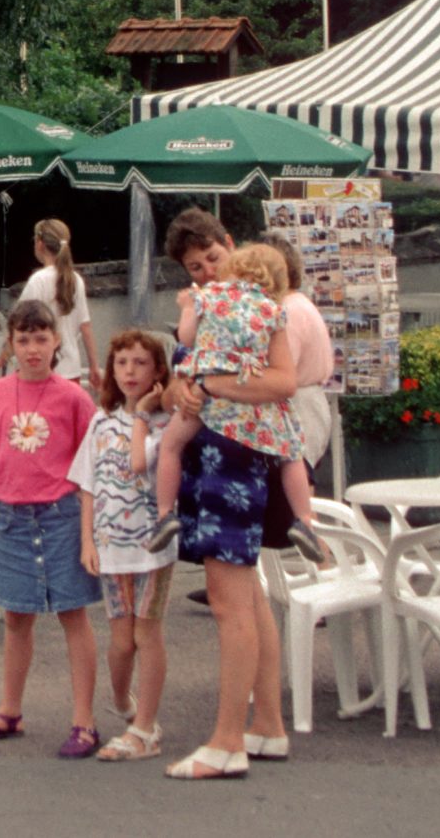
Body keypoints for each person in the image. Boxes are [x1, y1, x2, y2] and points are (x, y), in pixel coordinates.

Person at [158, 250, 303, 779]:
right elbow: (179, 375)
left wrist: (211, 384)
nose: (207, 271)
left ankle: (226, 742)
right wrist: (189, 387)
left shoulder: (227, 306)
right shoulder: (264, 309)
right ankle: (266, 725)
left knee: (229, 604)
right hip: (229, 454)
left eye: (214, 259)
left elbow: (283, 381)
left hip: (229, 459)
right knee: (248, 596)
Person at [0, 297, 105, 758]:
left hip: (61, 517)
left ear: (56, 341)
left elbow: (92, 470)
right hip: (12, 519)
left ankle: (84, 721)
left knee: (72, 613)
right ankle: (9, 710)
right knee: (17, 617)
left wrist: (88, 534)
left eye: (41, 339)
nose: (32, 349)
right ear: (11, 344)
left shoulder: (74, 398)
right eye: (23, 340)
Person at [146, 244, 320, 563]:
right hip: (251, 397)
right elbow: (282, 375)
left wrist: (187, 308)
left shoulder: (209, 297)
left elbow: (186, 338)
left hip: (207, 397)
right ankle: (305, 520)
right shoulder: (273, 311)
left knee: (170, 446)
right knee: (291, 453)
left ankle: (164, 513)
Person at [72, 328, 178, 763]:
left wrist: (143, 413)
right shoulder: (100, 421)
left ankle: (146, 727)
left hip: (152, 546)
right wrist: (87, 541)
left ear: (157, 372)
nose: (130, 372)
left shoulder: (167, 424)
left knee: (146, 632)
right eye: (121, 363)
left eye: (140, 363)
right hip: (111, 545)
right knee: (121, 639)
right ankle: (122, 702)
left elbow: (139, 463)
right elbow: (88, 485)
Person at [269, 236, 336, 546]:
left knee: (303, 499)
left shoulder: (288, 310)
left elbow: (283, 371)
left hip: (300, 405)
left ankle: (322, 565)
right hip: (308, 402)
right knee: (304, 494)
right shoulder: (298, 303)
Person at [0, 219, 100, 397]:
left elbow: (19, 325)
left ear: (40, 244)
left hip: (40, 370)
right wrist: (94, 366)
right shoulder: (76, 280)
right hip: (71, 370)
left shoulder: (39, 280)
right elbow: (86, 327)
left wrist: (1, 359)